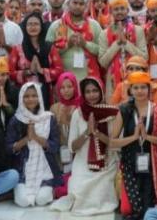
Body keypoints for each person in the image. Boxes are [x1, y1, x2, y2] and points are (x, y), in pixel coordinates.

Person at [51, 77, 119, 215]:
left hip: (107, 162)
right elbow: (72, 147)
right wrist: (87, 133)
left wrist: (98, 134)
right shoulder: (79, 113)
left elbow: (116, 144)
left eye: (95, 90)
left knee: (102, 192)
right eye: (87, 91)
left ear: (101, 91)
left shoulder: (113, 113)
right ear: (83, 93)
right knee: (79, 190)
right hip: (82, 162)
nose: (92, 95)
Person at [110, 71, 157, 220]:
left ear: (149, 89)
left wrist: (147, 137)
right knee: (130, 210)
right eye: (136, 88)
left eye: (143, 87)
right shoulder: (124, 110)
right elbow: (112, 142)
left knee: (149, 208)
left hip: (154, 165)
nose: (140, 91)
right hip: (130, 163)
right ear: (130, 90)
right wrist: (134, 137)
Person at [46, 0, 103, 82]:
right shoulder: (57, 25)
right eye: (75, 3)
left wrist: (85, 44)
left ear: (86, 6)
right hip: (64, 81)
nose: (78, 6)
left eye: (81, 4)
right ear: (68, 4)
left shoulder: (94, 25)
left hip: (89, 80)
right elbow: (47, 53)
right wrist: (67, 45)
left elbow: (102, 51)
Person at [8, 12, 64, 105]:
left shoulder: (49, 47)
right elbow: (10, 73)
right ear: (25, 27)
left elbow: (59, 70)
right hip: (23, 92)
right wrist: (28, 72)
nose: (33, 27)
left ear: (41, 26)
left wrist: (41, 71)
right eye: (29, 24)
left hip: (45, 91)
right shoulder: (17, 49)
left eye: (36, 24)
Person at [99, 0, 147, 99]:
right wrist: (117, 43)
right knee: (114, 111)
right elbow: (103, 62)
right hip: (112, 81)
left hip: (136, 80)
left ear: (127, 10)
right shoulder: (104, 33)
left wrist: (126, 43)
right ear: (111, 12)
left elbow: (144, 58)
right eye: (116, 9)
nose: (119, 12)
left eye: (122, 8)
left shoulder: (138, 30)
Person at [50, 73, 81, 186]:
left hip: (78, 153)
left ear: (75, 87)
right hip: (61, 155)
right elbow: (53, 134)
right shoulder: (54, 108)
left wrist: (69, 121)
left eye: (69, 86)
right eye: (62, 87)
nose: (66, 90)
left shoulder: (81, 106)